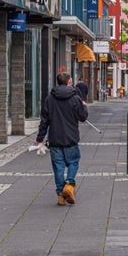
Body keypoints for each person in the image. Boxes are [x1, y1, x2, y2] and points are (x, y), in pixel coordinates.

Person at [35, 72, 88, 206]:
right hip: (71, 137)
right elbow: (83, 117)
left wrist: (39, 138)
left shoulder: (50, 99)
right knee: (74, 162)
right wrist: (83, 105)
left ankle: (60, 196)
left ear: (58, 82)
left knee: (58, 167)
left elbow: (44, 121)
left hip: (55, 138)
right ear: (69, 82)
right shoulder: (75, 98)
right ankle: (69, 184)